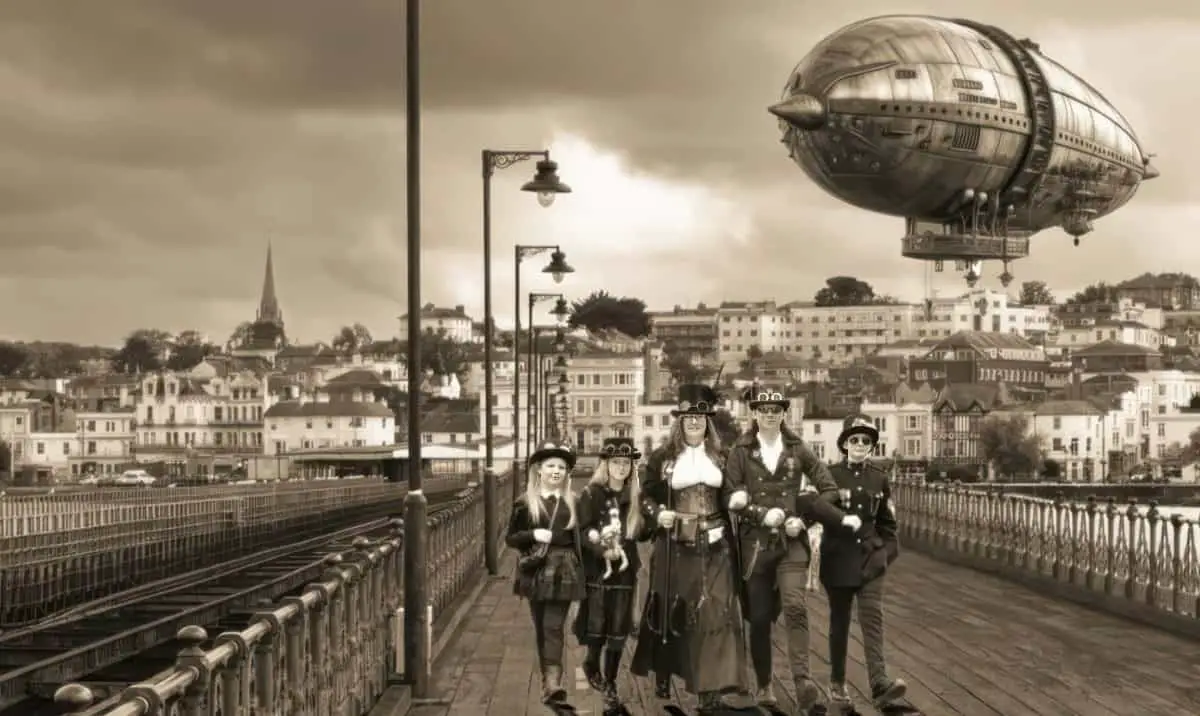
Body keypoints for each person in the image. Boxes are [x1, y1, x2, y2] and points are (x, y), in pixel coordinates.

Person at [725, 386, 862, 713]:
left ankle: (803, 683)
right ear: (754, 414)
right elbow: (729, 495)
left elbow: (828, 489)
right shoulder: (740, 451)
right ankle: (764, 684)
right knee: (758, 618)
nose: (770, 416)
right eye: (763, 410)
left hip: (790, 543)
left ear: (784, 414)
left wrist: (801, 517)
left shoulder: (798, 448)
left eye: (776, 411)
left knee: (796, 606)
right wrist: (759, 513)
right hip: (755, 545)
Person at [630, 383, 751, 715]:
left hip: (716, 546)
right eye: (688, 418)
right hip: (675, 544)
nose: (694, 423)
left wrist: (736, 499)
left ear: (708, 422)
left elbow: (729, 493)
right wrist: (659, 514)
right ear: (679, 421)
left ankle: (710, 689)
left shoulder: (721, 457)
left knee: (716, 612)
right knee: (675, 611)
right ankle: (668, 671)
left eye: (700, 418)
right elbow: (646, 497)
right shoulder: (662, 458)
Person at [821, 414, 907, 711]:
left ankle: (879, 682)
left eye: (866, 441)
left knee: (873, 618)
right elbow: (818, 512)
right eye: (854, 439)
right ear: (844, 443)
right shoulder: (828, 475)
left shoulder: (879, 477)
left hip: (871, 560)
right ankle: (837, 683)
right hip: (838, 559)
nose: (860, 445)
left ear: (872, 446)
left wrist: (883, 556)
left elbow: (889, 526)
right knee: (840, 623)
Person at [505, 440, 587, 706]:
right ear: (538, 470)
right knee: (541, 626)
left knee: (552, 625)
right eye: (551, 466)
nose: (556, 471)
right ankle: (546, 679)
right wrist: (532, 534)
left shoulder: (573, 502)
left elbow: (581, 539)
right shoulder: (525, 502)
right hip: (536, 570)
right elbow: (511, 538)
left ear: (567, 473)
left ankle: (553, 682)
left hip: (564, 570)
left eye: (561, 467)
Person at [575, 437, 650, 714]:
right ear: (605, 464)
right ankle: (590, 661)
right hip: (598, 571)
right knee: (597, 623)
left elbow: (644, 532)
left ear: (632, 466)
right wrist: (600, 550)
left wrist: (649, 519)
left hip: (626, 570)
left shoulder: (635, 495)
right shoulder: (592, 493)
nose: (621, 467)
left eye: (626, 463)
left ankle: (610, 685)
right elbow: (583, 531)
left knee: (618, 628)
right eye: (616, 462)